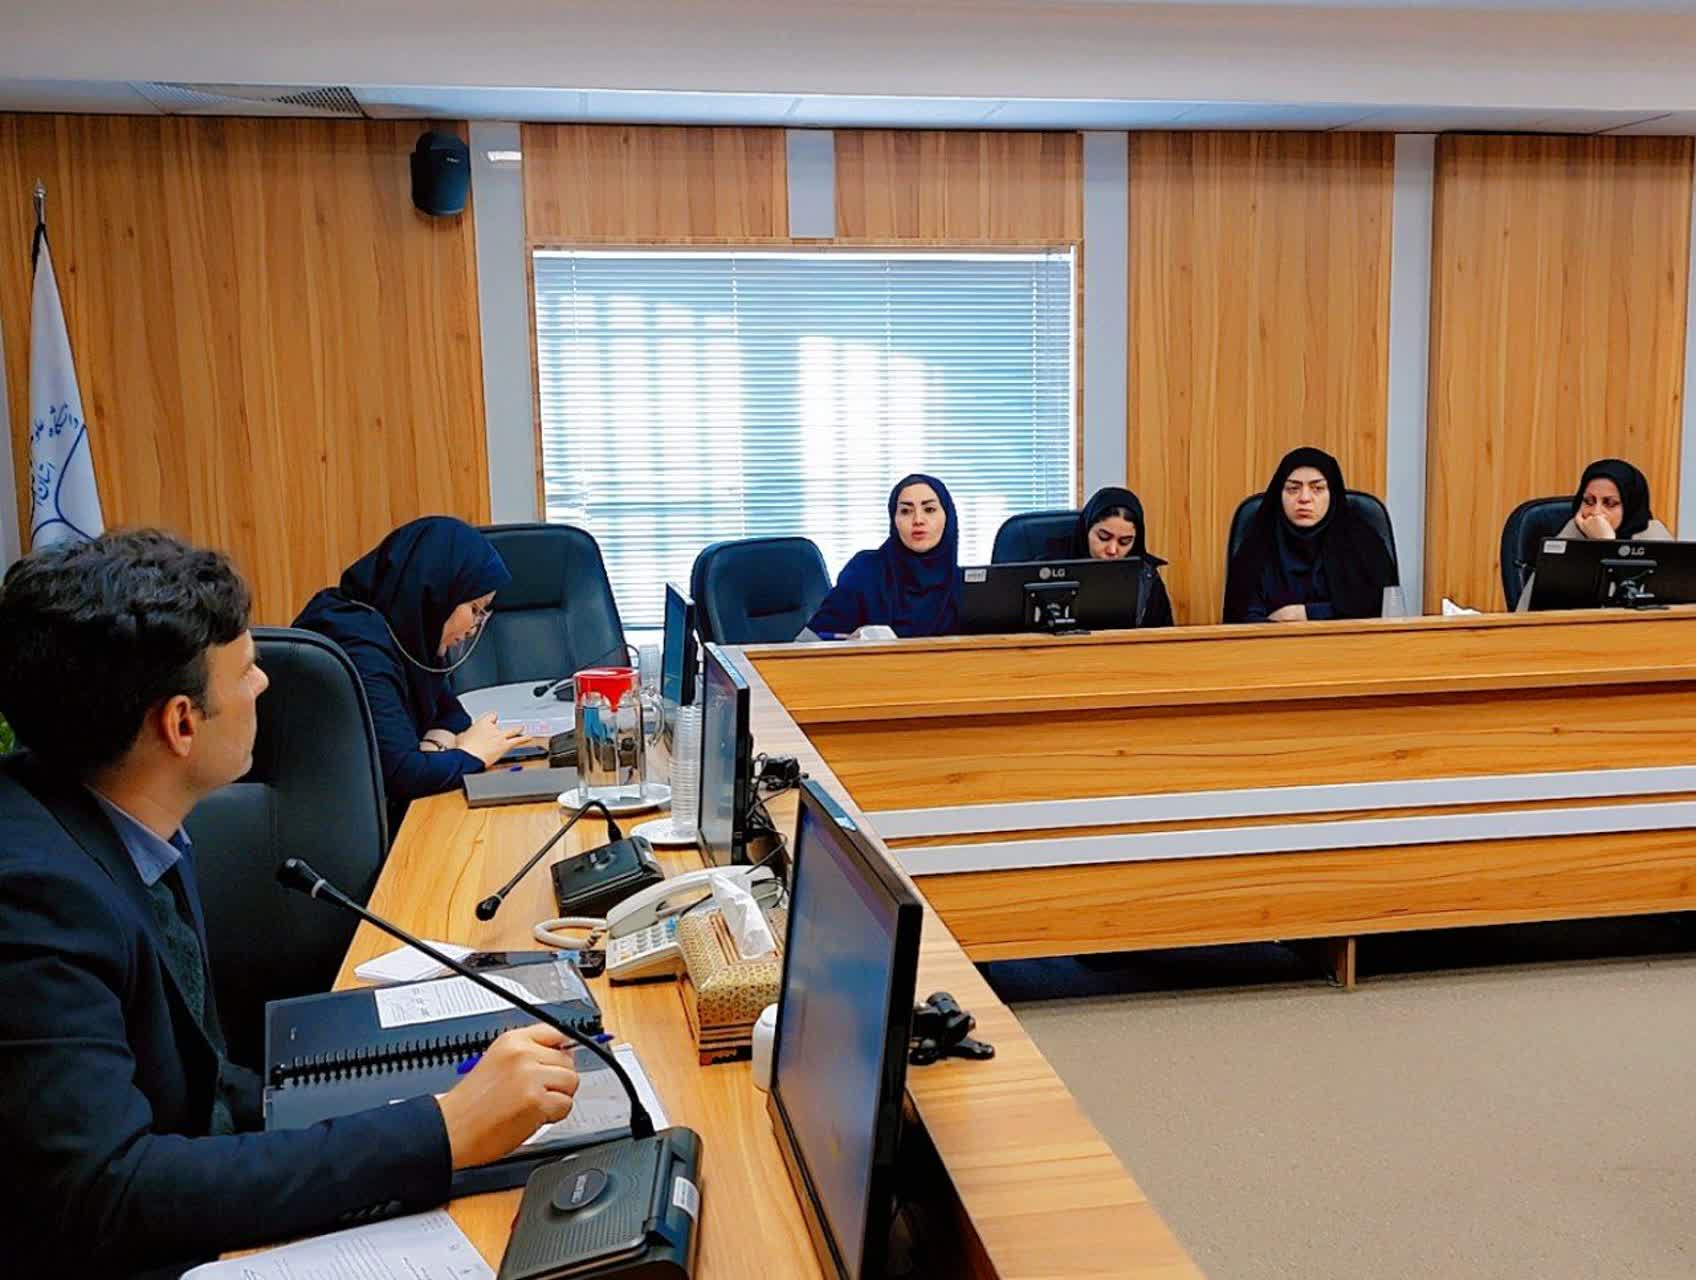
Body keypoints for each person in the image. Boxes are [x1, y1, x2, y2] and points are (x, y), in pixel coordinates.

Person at [0, 530, 579, 1278]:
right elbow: (110, 1193)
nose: (265, 683)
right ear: (180, 724)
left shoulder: (126, 824)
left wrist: (416, 1094)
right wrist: (439, 1131)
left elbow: (200, 1090)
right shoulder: (34, 898)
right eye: (246, 670)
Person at [294, 517, 529, 832]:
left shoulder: (404, 629)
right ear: (439, 592)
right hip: (333, 831)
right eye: (475, 609)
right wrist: (471, 754)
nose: (475, 627)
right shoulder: (359, 645)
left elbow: (452, 716)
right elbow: (402, 774)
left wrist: (434, 748)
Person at [1223, 447, 1397, 624]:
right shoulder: (1257, 546)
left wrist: (1304, 613)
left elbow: (1379, 608)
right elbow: (1241, 620)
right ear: (1279, 494)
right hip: (1274, 641)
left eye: (1317, 488)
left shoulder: (1362, 544)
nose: (1304, 498)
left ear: (1333, 494)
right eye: (1293, 489)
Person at [803, 473, 964, 639]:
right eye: (906, 511)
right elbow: (807, 642)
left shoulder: (964, 585)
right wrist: (847, 641)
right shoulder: (864, 571)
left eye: (929, 510)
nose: (918, 520)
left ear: (948, 517)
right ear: (894, 520)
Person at [1515, 459, 1673, 611]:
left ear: (1630, 505)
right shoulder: (1574, 531)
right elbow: (1527, 610)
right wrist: (1600, 545)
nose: (1596, 512)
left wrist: (1607, 545)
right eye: (1589, 501)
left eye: (1610, 503)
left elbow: (1670, 611)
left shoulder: (1652, 535)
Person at [1042, 486, 1174, 628]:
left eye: (1125, 542)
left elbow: (1164, 637)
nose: (1112, 550)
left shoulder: (1145, 577)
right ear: (1086, 530)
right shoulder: (1050, 569)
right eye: (1103, 537)